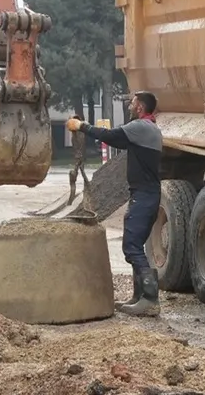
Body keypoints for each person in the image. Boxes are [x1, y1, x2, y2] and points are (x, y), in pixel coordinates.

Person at [67, 91, 163, 317]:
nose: (130, 104)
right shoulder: (148, 129)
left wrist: (81, 126)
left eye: (133, 102)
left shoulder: (142, 127)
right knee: (136, 245)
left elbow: (109, 135)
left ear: (140, 107)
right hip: (146, 194)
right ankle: (139, 297)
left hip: (144, 195)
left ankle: (149, 299)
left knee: (131, 246)